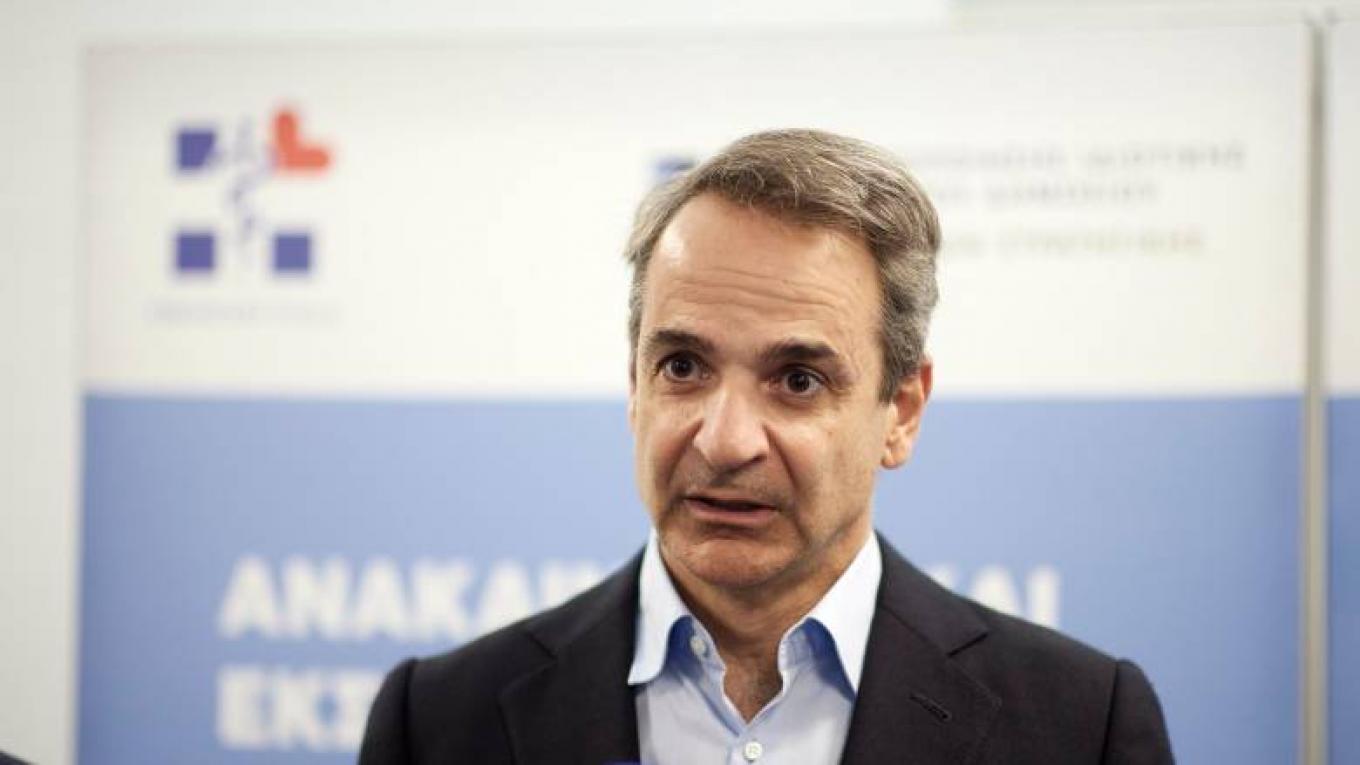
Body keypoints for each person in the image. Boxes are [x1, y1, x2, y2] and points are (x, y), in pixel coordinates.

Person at [359, 129, 1173, 764]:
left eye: (797, 380)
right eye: (683, 366)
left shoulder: (1080, 724)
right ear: (635, 384)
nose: (724, 439)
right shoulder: (438, 721)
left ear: (901, 411)